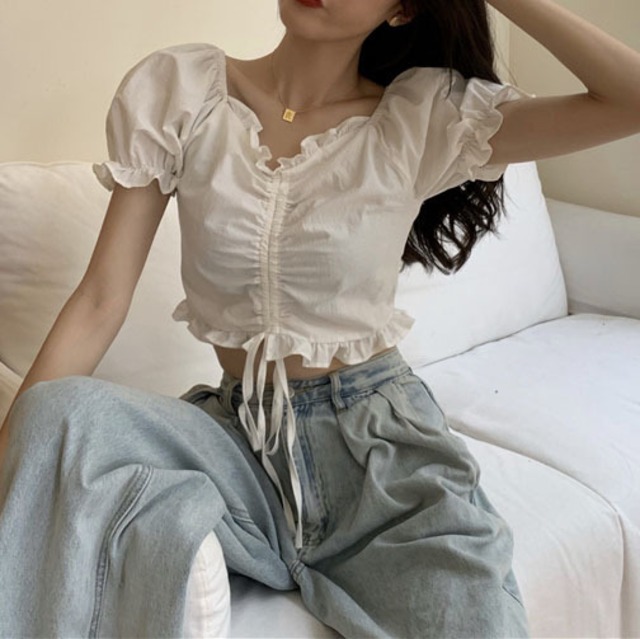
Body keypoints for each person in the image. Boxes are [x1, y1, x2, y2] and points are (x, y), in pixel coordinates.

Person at [1, 0, 639, 636]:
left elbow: (629, 100)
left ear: (402, 10)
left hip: (381, 464)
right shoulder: (182, 91)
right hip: (236, 446)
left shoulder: (423, 116)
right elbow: (100, 300)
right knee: (59, 413)